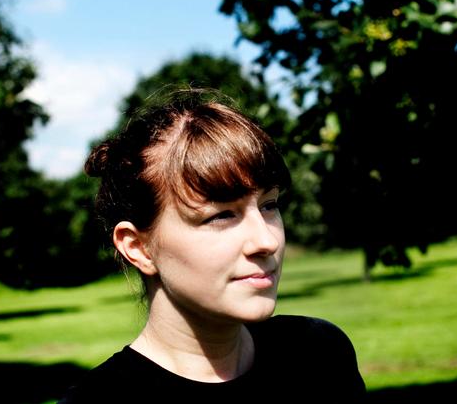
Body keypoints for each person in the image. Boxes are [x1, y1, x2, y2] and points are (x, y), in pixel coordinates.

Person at [57, 88, 365, 402]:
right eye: (221, 215)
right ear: (138, 247)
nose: (266, 241)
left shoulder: (319, 355)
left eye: (269, 205)